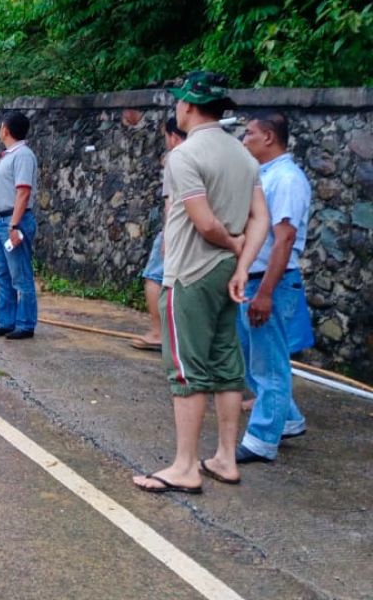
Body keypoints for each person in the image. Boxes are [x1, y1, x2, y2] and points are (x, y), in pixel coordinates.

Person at [133, 71, 269, 494]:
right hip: (228, 274)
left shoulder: (185, 156)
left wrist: (228, 242)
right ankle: (225, 457)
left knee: (187, 367)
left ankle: (185, 465)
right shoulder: (243, 155)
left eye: (179, 101)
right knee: (226, 362)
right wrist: (242, 262)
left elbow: (205, 223)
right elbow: (260, 219)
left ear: (188, 106)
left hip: (190, 273)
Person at [234, 110, 310, 464]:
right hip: (254, 280)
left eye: (248, 134)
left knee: (270, 366)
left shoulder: (286, 179)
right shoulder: (265, 176)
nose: (243, 140)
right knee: (256, 360)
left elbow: (285, 239)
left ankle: (262, 440)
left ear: (268, 137)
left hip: (270, 284)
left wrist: (264, 292)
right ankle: (289, 419)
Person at [132, 118, 187, 351]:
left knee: (154, 275)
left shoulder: (177, 157)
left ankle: (158, 332)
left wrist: (167, 235)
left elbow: (170, 203)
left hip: (177, 226)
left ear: (174, 136)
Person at [0, 111, 39, 340]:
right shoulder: (9, 155)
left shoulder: (23, 155)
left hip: (12, 221)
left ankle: (25, 324)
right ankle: (6, 321)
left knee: (20, 274)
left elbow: (23, 192)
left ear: (5, 129)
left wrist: (14, 225)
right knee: (3, 274)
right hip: (0, 220)